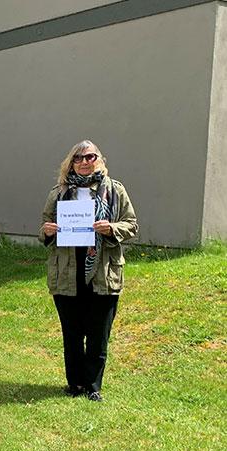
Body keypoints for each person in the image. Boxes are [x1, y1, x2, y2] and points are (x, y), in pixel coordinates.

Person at [40, 140, 138, 402]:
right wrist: (47, 231)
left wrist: (111, 229)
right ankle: (75, 385)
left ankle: (93, 386)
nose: (85, 161)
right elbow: (44, 227)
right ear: (71, 162)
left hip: (103, 273)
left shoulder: (115, 190)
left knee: (98, 335)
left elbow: (131, 224)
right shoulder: (58, 192)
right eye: (79, 158)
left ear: (99, 159)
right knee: (71, 334)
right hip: (67, 274)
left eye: (90, 157)